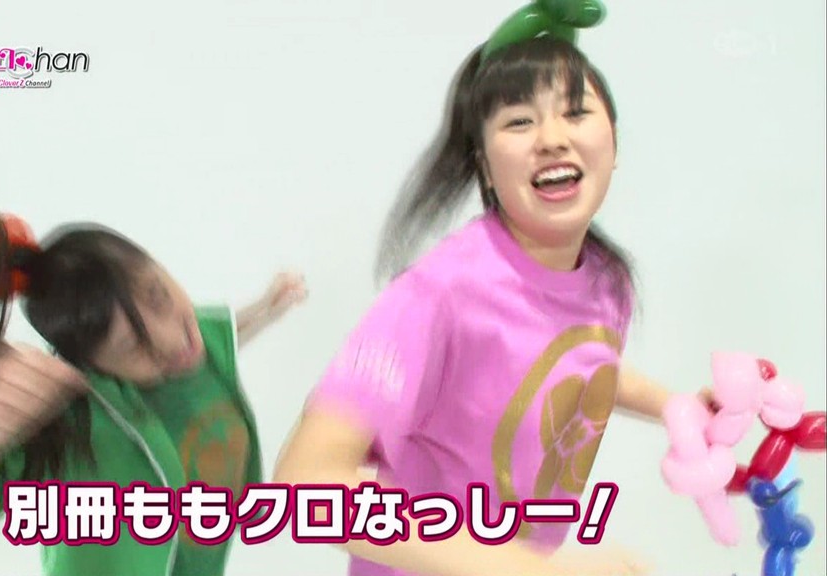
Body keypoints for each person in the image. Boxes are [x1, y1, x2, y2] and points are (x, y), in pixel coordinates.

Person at [272, 2, 682, 575]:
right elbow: (305, 485)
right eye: (519, 122)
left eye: (575, 112)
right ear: (485, 167)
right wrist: (537, 571)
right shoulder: (438, 296)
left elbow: (565, 362)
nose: (552, 138)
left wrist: (677, 408)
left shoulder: (605, 280)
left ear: (613, 142)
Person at [0, 138, 307, 576]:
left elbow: (223, 332)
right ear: (91, 366)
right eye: (134, 348)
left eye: (158, 297)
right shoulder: (75, 416)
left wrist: (267, 307)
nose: (173, 340)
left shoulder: (195, 338)